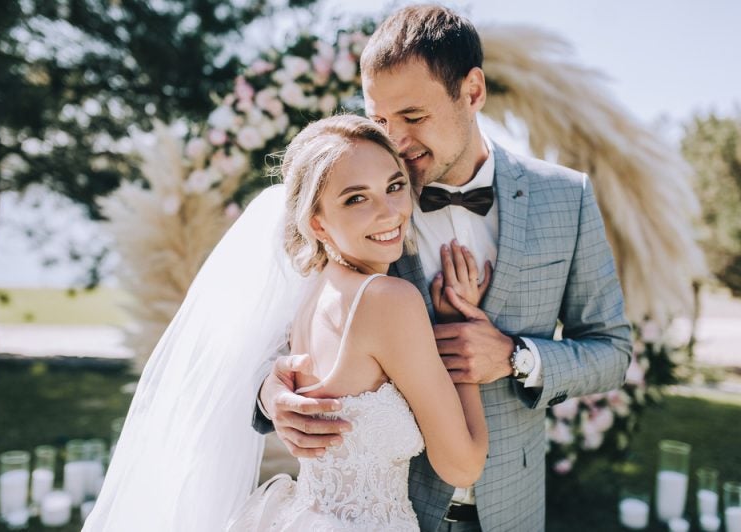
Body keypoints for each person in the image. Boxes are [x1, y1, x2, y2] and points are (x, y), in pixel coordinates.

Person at [254, 5, 632, 531]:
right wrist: (272, 395)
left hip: (513, 509)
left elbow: (612, 349)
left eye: (413, 117)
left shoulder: (566, 197)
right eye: (380, 120)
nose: (396, 141)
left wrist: (515, 357)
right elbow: (282, 338)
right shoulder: (365, 203)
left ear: (472, 91)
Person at [228, 114, 489, 531]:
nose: (389, 212)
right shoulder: (388, 300)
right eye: (356, 199)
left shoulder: (310, 292)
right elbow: (462, 465)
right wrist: (459, 329)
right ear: (317, 223)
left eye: (394, 186)